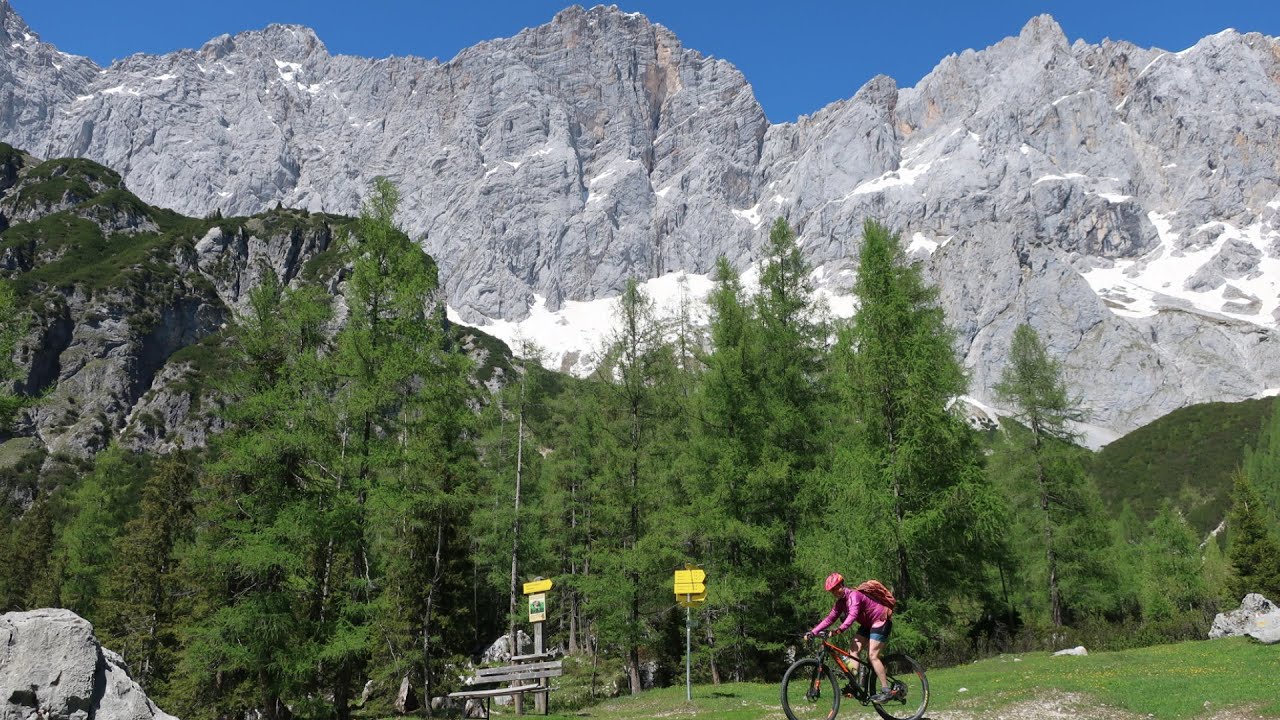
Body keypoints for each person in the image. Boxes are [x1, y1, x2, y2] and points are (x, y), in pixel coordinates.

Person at [804, 572, 899, 703]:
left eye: (836, 588)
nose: (835, 592)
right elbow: (829, 619)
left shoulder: (854, 596)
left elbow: (852, 616)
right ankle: (856, 684)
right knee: (853, 650)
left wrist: (837, 631)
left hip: (880, 620)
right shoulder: (840, 603)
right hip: (868, 624)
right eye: (832, 590)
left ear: (842, 585)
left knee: (872, 655)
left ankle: (886, 690)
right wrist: (813, 632)